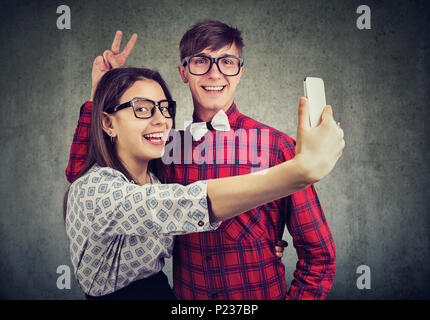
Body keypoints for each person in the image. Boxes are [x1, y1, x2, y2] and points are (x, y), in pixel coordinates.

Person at [66, 21, 345, 300]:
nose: (215, 73)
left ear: (240, 72)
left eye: (227, 61)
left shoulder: (276, 146)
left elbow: (319, 257)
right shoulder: (163, 147)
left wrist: (262, 244)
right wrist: (103, 94)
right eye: (201, 61)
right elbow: (87, 176)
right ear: (183, 71)